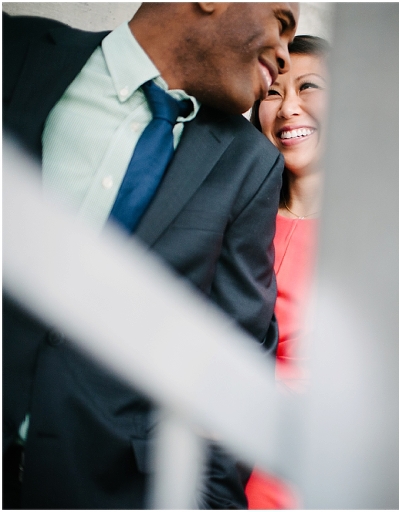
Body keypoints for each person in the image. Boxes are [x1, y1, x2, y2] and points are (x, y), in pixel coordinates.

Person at [2, 3, 298, 508]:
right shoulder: (16, 51)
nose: (287, 57)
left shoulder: (250, 166)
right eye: (282, 24)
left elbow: (229, 388)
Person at [244, 34, 330, 509]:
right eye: (273, 92)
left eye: (309, 87)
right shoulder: (231, 214)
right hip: (218, 467)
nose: (288, 107)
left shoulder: (379, 237)